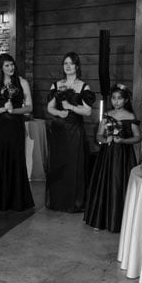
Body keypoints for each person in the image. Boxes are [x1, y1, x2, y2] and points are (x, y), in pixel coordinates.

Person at [84, 85, 140, 232]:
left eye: (119, 98)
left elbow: (138, 137)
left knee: (119, 184)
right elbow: (98, 135)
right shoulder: (107, 114)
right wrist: (104, 138)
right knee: (105, 183)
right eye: (114, 98)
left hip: (123, 157)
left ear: (126, 100)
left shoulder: (130, 117)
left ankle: (119, 221)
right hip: (107, 156)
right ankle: (101, 219)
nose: (116, 101)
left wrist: (123, 141)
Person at [0, 53, 35, 211]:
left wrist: (15, 111)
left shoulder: (22, 82)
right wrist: (3, 109)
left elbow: (29, 107)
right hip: (0, 128)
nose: (10, 68)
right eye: (7, 65)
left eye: (12, 64)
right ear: (1, 67)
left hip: (16, 127)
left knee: (16, 159)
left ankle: (17, 200)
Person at [45, 52, 94, 212]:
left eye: (71, 63)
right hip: (58, 130)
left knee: (74, 165)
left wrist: (71, 107)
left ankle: (74, 203)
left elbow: (87, 112)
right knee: (58, 165)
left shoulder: (84, 86)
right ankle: (58, 201)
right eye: (65, 63)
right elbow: (50, 108)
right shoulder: (57, 85)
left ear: (77, 66)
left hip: (75, 130)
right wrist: (60, 113)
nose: (68, 66)